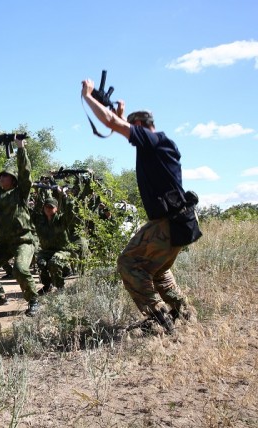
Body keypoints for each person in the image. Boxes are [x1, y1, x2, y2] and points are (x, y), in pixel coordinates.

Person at [81, 78, 200, 333]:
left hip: (168, 222)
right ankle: (185, 313)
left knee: (128, 262)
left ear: (140, 126)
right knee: (155, 270)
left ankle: (160, 318)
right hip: (178, 221)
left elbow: (112, 124)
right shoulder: (156, 145)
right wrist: (118, 116)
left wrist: (88, 96)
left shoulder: (155, 141)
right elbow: (118, 125)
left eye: (132, 129)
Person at [0, 134, 40, 317]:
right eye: (1, 176)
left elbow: (25, 174)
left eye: (5, 176)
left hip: (23, 241)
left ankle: (33, 301)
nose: (1, 179)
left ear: (13, 180)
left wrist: (20, 148)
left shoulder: (20, 193)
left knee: (20, 269)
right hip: (4, 243)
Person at [31, 197, 82, 293]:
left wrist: (66, 198)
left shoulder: (61, 219)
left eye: (51, 207)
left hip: (63, 251)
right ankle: (47, 285)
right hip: (46, 251)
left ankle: (60, 287)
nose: (48, 209)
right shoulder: (40, 221)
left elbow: (70, 213)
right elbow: (31, 212)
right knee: (41, 263)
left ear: (56, 208)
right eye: (46, 207)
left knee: (54, 262)